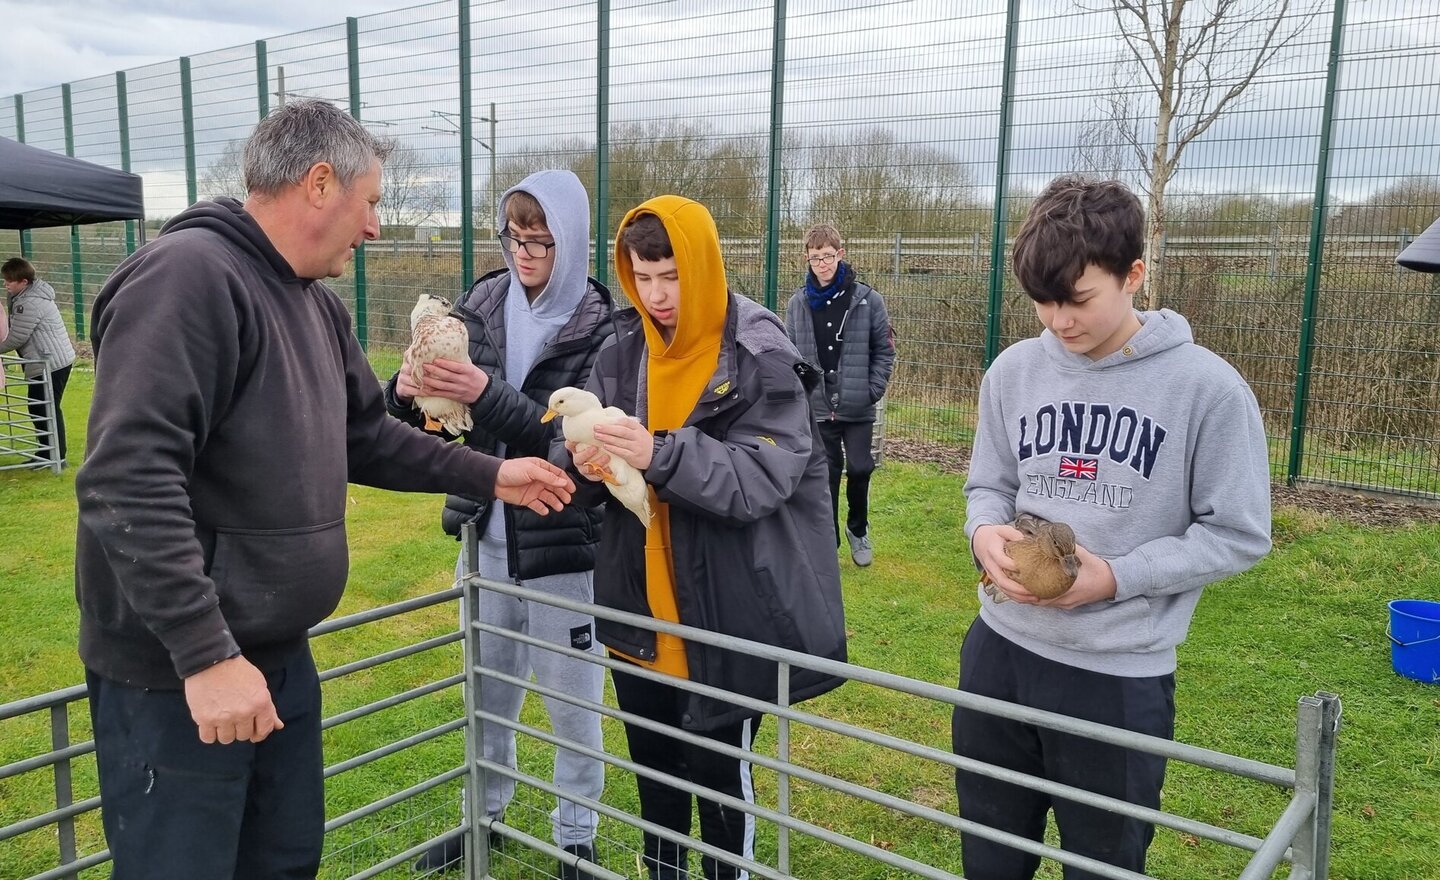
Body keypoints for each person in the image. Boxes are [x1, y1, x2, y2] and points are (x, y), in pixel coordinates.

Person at [74, 100, 574, 880]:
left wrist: (493, 472)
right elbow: (125, 479)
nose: (375, 226)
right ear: (317, 184)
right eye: (370, 201)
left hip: (274, 658)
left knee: (282, 862)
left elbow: (365, 436)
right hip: (181, 677)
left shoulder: (313, 301)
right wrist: (206, 658)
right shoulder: (189, 279)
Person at [952, 176, 1272, 879]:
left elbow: (1240, 532)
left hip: (1115, 677)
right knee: (991, 859)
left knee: (1103, 867)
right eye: (1041, 301)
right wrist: (983, 534)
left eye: (1077, 299)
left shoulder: (1208, 390)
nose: (1058, 320)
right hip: (1000, 654)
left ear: (1135, 274)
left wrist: (1117, 578)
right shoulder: (1012, 372)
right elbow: (988, 485)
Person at [560, 195, 847, 880]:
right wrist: (590, 463)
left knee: (721, 788)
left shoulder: (759, 351)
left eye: (671, 276)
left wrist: (658, 452)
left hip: (723, 613)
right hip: (639, 608)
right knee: (656, 782)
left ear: (703, 265)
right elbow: (594, 448)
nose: (656, 296)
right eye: (642, 277)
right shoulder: (621, 349)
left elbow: (760, 477)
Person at [386, 170, 613, 878]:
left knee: (572, 700)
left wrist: (488, 394)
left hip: (560, 548)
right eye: (514, 236)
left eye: (540, 239)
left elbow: (569, 455)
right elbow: (432, 420)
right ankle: (481, 816)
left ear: (569, 238)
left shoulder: (604, 327)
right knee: (485, 692)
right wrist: (405, 394)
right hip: (481, 538)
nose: (523, 253)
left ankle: (576, 834)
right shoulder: (480, 302)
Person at [783, 223, 894, 566]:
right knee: (827, 474)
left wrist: (872, 389)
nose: (823, 264)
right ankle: (826, 540)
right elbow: (789, 353)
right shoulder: (797, 304)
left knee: (860, 468)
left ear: (840, 255)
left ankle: (857, 529)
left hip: (857, 404)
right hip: (818, 406)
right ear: (807, 259)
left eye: (828, 256)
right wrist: (802, 390)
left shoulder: (867, 300)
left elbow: (885, 350)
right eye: (816, 258)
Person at [2, 257, 77, 464]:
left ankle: (55, 456)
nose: (6, 284)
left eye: (10, 280)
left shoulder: (29, 303)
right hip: (52, 359)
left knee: (45, 407)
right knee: (41, 407)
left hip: (49, 362)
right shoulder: (29, 297)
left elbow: (18, 337)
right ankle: (48, 453)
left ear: (24, 282)